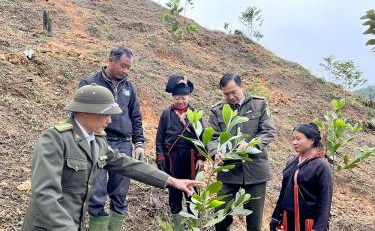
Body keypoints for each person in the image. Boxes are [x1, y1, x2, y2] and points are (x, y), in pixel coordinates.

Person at [22, 84, 203, 231]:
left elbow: (127, 164)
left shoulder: (97, 140)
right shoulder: (55, 139)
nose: (110, 121)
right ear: (85, 112)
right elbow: (45, 196)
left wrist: (171, 180)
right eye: (106, 114)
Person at [79, 45, 145, 230]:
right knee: (96, 191)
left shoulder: (129, 87)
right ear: (110, 60)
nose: (125, 71)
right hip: (98, 141)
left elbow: (135, 116)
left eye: (128, 68)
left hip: (123, 144)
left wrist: (138, 143)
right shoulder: (90, 83)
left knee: (120, 192)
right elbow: (81, 114)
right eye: (123, 66)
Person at [207, 73, 276, 231]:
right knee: (221, 217)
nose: (231, 97)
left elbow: (269, 131)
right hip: (228, 172)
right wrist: (215, 152)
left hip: (255, 171)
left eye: (234, 92)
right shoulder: (217, 110)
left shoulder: (259, 104)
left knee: (254, 221)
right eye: (226, 94)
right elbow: (212, 137)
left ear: (241, 87)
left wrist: (252, 144)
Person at [155, 75, 205, 229]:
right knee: (174, 194)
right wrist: (160, 157)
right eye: (177, 98)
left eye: (183, 97)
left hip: (190, 159)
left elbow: (202, 136)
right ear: (172, 98)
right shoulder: (166, 114)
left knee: (192, 194)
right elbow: (159, 138)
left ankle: (192, 226)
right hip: (173, 158)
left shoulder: (195, 114)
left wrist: (201, 157)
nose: (180, 101)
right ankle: (177, 226)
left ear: (188, 97)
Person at [270, 123, 333, 231]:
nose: (294, 142)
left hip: (308, 223)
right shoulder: (292, 162)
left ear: (312, 140)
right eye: (293, 139)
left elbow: (325, 200)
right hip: (287, 220)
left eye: (298, 139)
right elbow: (283, 192)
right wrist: (276, 217)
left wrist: (319, 228)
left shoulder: (321, 166)